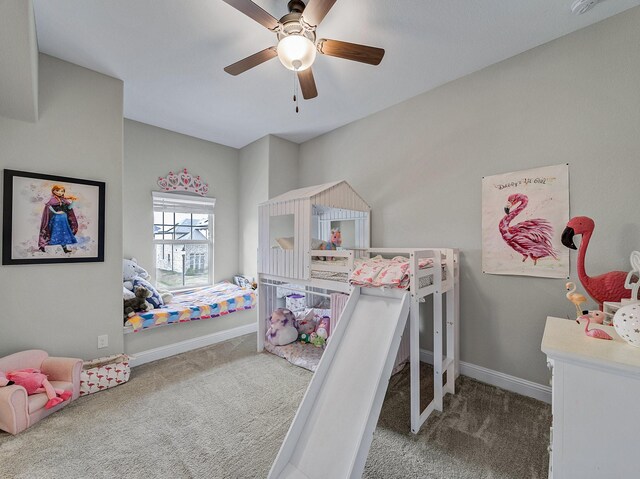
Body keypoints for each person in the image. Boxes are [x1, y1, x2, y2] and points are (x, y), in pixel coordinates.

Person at [38, 184, 78, 253]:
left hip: (64, 219)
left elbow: (69, 208)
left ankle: (65, 249)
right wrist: (56, 212)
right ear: (54, 191)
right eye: (58, 191)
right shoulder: (53, 199)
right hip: (56, 219)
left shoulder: (64, 199)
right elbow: (48, 205)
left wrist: (73, 201)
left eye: (62, 191)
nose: (60, 192)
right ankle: (42, 246)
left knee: (63, 232)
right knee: (51, 231)